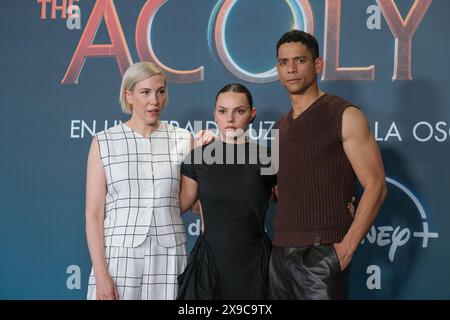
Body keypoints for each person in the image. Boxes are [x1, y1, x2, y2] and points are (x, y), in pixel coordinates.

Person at [269, 30, 387, 300]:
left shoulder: (344, 115)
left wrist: (346, 248)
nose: (291, 69)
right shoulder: (278, 128)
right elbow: (275, 191)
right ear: (277, 69)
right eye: (284, 62)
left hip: (322, 254)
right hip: (280, 254)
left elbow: (377, 186)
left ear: (318, 65)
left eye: (300, 60)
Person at [85, 61, 193, 300]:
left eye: (160, 91)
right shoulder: (104, 141)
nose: (154, 100)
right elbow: (93, 215)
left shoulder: (184, 139)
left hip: (168, 255)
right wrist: (102, 273)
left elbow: (184, 200)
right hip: (118, 256)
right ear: (129, 95)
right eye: (145, 92)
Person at [176, 83, 277, 300]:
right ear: (215, 114)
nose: (230, 119)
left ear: (252, 114)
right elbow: (179, 204)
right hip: (208, 267)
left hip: (255, 267)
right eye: (223, 111)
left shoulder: (268, 158)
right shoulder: (198, 157)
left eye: (239, 111)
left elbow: (293, 204)